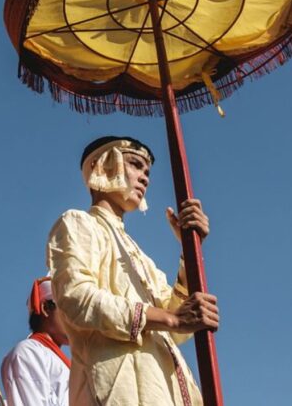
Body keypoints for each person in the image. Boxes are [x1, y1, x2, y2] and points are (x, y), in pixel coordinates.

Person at [47, 136, 220, 406]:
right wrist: (169, 318)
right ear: (102, 164)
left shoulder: (141, 257)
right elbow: (76, 298)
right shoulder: (78, 223)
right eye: (135, 165)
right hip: (117, 392)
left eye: (147, 171)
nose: (145, 178)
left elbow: (177, 329)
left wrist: (189, 250)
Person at [1, 276, 70, 405]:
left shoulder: (60, 361)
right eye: (69, 308)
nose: (77, 318)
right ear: (45, 308)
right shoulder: (28, 352)